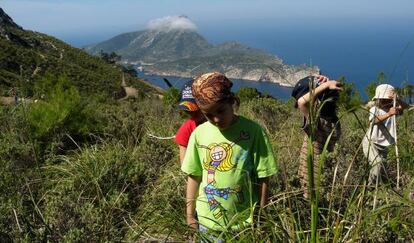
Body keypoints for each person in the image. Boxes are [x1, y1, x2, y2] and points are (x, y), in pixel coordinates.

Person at [181, 72, 278, 237]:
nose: (216, 119)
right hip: (207, 222)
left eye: (220, 111)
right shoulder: (199, 134)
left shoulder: (253, 132)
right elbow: (194, 176)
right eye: (208, 115)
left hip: (244, 222)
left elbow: (264, 176)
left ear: (232, 102)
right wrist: (190, 215)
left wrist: (262, 214)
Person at [291, 75, 342, 199]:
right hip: (315, 173)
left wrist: (321, 82)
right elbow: (302, 102)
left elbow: (304, 101)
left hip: (320, 170)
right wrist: (325, 85)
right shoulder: (317, 121)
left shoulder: (326, 120)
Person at [362, 84, 408, 185]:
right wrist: (389, 114)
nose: (385, 101)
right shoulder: (374, 109)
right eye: (382, 99)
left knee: (381, 167)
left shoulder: (394, 109)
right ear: (378, 99)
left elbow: (406, 107)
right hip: (371, 142)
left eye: (387, 99)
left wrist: (398, 99)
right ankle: (371, 187)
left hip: (383, 144)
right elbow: (373, 121)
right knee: (377, 164)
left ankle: (376, 186)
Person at [175, 80, 206, 163]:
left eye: (196, 108)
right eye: (188, 110)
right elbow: (184, 163)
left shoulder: (220, 121)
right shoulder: (187, 128)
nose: (192, 113)